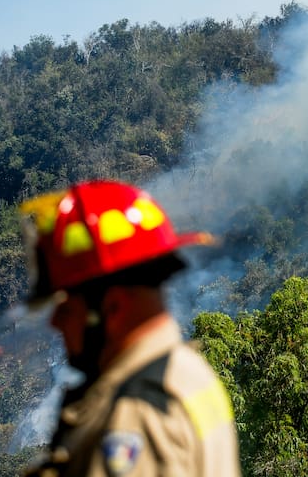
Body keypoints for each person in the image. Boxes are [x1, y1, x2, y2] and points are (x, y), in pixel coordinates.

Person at [19, 180, 240, 477]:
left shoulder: (134, 415)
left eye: (66, 307)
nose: (55, 321)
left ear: (112, 307)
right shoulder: (187, 370)